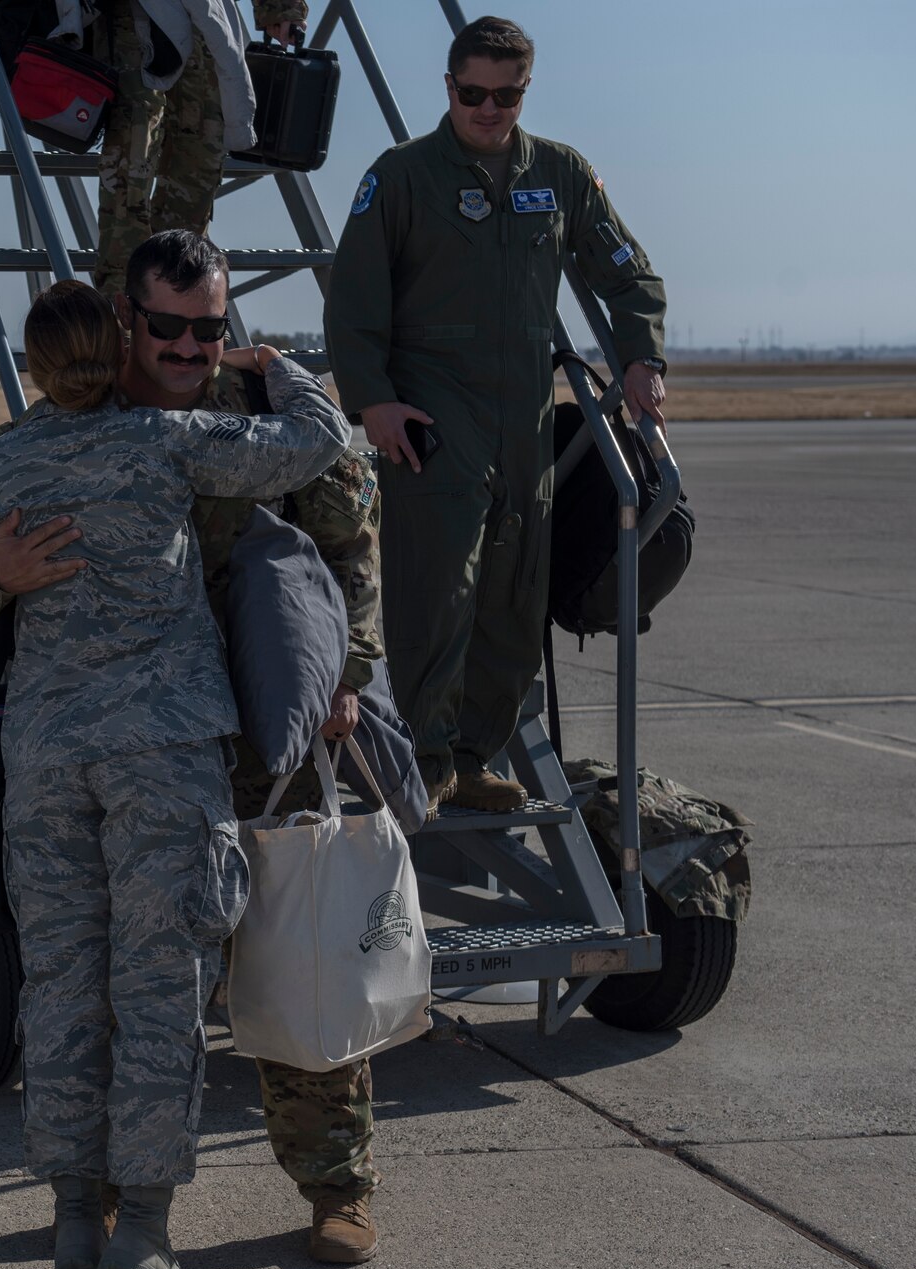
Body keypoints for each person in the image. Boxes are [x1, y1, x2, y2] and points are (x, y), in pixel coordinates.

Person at [0, 231, 388, 1266]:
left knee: (296, 955)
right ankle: (100, 1197)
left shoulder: (237, 419)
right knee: (115, 980)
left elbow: (347, 534)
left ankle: (335, 1179)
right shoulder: (73, 424)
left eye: (210, 328)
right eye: (170, 327)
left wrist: (346, 674)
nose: (192, 345)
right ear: (126, 323)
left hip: (265, 720)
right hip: (154, 733)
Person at [326, 14, 667, 816]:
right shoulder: (401, 177)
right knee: (439, 588)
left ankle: (474, 755)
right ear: (448, 88)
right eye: (473, 93)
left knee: (515, 593)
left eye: (505, 95)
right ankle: (427, 757)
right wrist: (372, 400)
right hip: (433, 415)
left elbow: (624, 267)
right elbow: (354, 302)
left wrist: (641, 354)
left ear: (524, 92)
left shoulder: (559, 172)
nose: (488, 109)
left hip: (524, 419)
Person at [88, 0, 280, 295]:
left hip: (199, 19)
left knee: (198, 162)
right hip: (131, 18)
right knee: (132, 160)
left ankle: (183, 301)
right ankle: (124, 312)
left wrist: (279, 8)